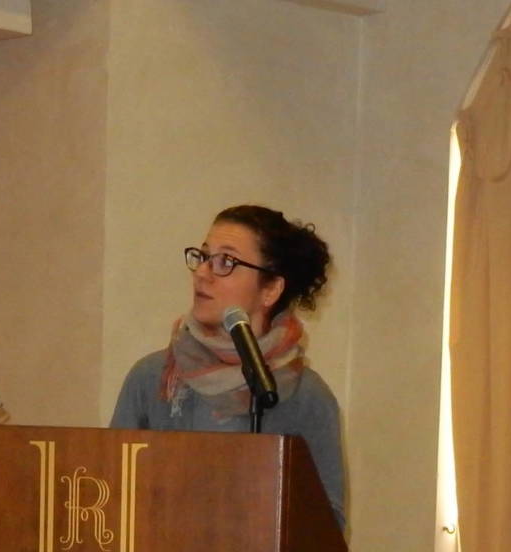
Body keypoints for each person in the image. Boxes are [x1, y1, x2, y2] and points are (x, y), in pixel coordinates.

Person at [110, 204, 345, 525]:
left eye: (226, 262)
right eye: (204, 256)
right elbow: (112, 492)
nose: (202, 273)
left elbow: (327, 526)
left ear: (271, 289)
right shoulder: (152, 378)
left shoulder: (308, 397)